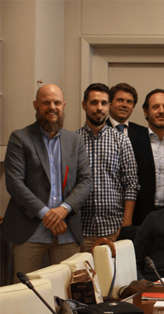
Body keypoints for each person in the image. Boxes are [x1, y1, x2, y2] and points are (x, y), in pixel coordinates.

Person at [1, 84, 92, 280]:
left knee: (70, 293)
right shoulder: (20, 138)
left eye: (57, 102)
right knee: (26, 293)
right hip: (29, 233)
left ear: (64, 105)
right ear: (36, 105)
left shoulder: (75, 140)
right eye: (46, 102)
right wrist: (46, 215)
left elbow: (86, 181)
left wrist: (64, 209)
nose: (52, 107)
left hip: (67, 231)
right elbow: (15, 183)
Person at [76, 83, 139, 252]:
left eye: (104, 103)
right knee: (84, 278)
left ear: (109, 106)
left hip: (114, 228)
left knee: (117, 278)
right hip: (82, 230)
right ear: (84, 105)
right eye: (94, 102)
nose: (99, 108)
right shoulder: (72, 141)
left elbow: (131, 184)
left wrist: (125, 225)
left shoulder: (121, 140)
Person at [129, 89, 164, 226]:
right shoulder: (131, 142)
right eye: (155, 107)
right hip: (140, 216)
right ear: (146, 111)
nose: (161, 111)